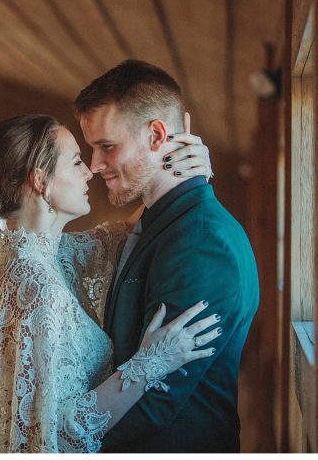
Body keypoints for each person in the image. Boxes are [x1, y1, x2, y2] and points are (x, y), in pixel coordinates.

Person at [0, 113, 219, 452]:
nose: (90, 171)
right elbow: (58, 434)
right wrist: (151, 362)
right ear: (41, 181)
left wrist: (193, 169)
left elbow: (133, 225)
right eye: (77, 161)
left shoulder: (38, 254)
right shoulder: (35, 286)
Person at [75, 60, 259, 452]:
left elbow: (154, 403)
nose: (94, 165)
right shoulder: (158, 223)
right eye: (91, 149)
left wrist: (61, 438)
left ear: (157, 135)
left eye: (107, 146)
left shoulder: (200, 242)